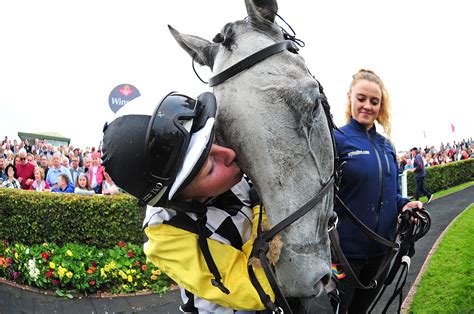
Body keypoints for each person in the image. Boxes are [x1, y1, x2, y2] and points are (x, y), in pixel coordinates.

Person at [102, 92, 275, 313]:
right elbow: (255, 288)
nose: (230, 154)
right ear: (180, 198)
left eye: (215, 139)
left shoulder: (230, 170)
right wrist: (265, 204)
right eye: (210, 167)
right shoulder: (164, 234)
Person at [333, 69, 424, 313]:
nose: (367, 106)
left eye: (374, 101)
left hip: (381, 253)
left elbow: (392, 195)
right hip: (344, 255)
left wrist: (405, 204)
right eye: (361, 98)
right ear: (350, 97)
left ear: (381, 105)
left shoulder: (386, 145)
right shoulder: (336, 139)